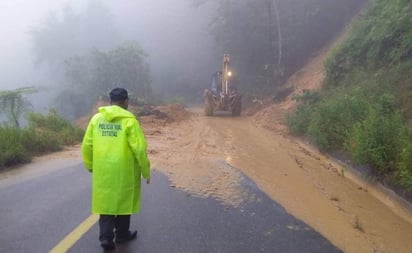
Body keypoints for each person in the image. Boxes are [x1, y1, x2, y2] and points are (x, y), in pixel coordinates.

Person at [81, 87, 151, 250]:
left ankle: (106, 238)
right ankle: (121, 234)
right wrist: (145, 171)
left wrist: (90, 165)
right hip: (124, 170)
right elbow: (139, 149)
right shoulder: (130, 121)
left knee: (106, 204)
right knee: (124, 202)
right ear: (126, 101)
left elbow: (87, 145)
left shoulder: (96, 119)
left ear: (110, 101)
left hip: (103, 170)